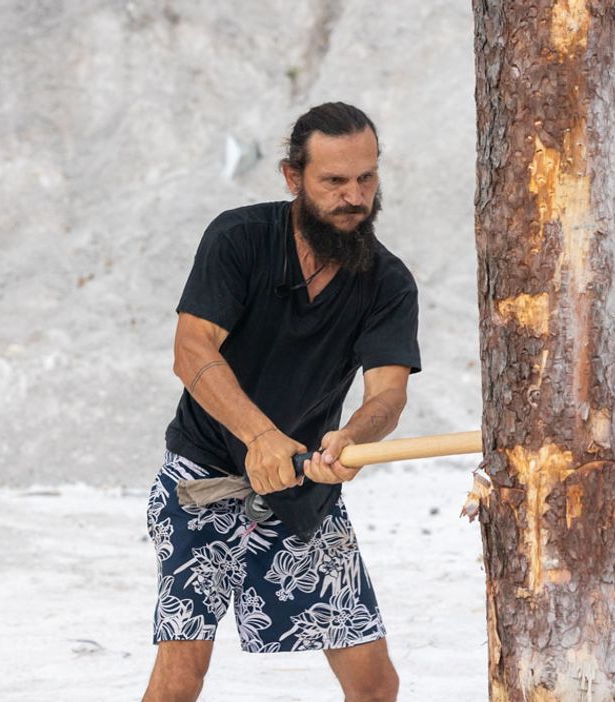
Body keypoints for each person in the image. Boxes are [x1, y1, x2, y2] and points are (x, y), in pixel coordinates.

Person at [142, 102, 420, 702]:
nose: (354, 197)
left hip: (304, 489)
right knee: (180, 677)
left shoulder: (388, 282)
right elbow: (192, 350)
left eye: (366, 178)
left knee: (375, 685)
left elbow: (388, 393)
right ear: (293, 178)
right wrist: (260, 436)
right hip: (202, 483)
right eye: (334, 182)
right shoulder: (239, 239)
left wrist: (352, 438)